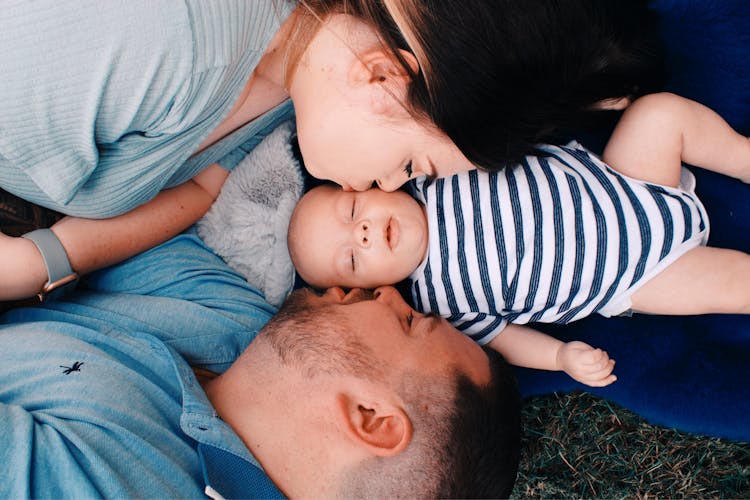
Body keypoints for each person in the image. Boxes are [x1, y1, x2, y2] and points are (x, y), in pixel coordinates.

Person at [0, 0, 663, 302]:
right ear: (380, 78)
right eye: (413, 166)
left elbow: (200, 191)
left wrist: (42, 261)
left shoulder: (302, 84)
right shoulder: (161, 43)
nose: (391, 185)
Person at [0, 231, 522, 498]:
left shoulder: (114, 487)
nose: (388, 293)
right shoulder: (247, 330)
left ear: (371, 418)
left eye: (408, 322)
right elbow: (129, 220)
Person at [288, 92, 750, 387]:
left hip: (623, 177)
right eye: (352, 257)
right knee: (732, 286)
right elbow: (506, 339)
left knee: (658, 114)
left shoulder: (434, 170)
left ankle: (741, 157)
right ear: (373, 289)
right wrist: (559, 357)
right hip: (634, 274)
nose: (364, 233)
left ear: (373, 185)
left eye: (352, 213)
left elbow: (507, 124)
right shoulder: (441, 307)